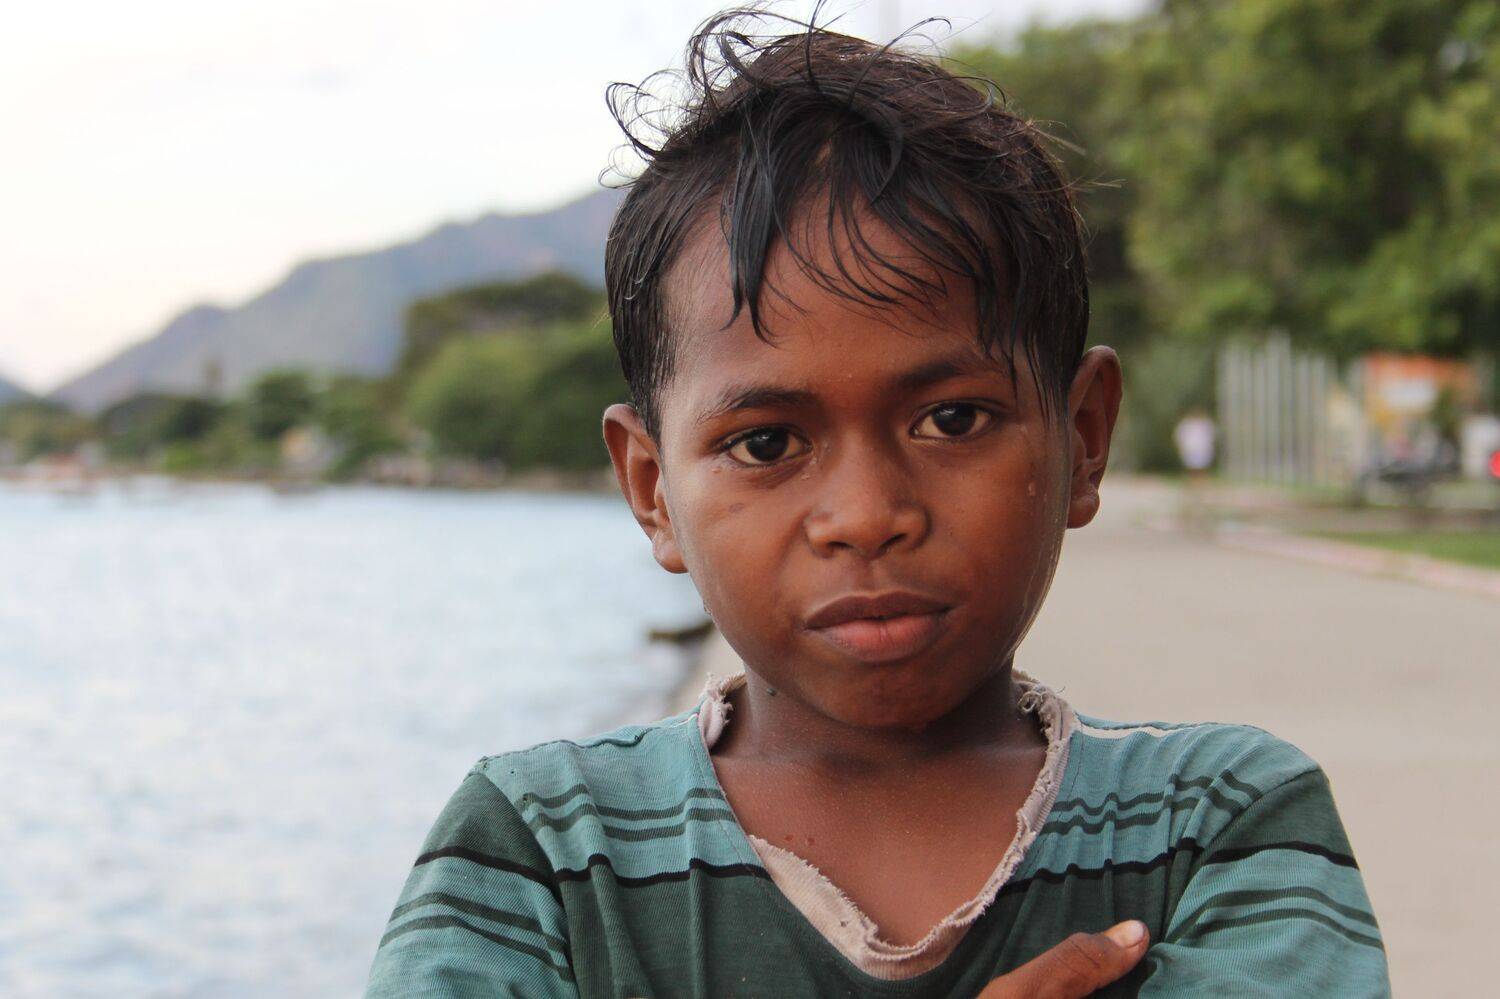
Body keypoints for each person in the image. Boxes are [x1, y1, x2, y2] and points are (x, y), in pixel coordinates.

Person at [364, 9, 1390, 997]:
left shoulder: (1220, 820)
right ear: (652, 489)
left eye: (952, 419)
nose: (864, 515)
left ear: (1082, 438)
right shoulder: (541, 851)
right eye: (766, 443)